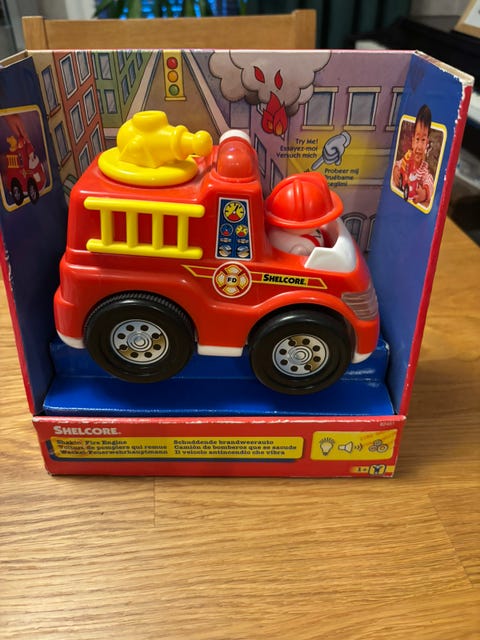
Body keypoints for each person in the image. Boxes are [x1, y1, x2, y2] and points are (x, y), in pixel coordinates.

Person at [393, 104, 434, 206]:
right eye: (417, 139)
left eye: (423, 140)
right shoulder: (408, 157)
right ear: (412, 141)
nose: (419, 146)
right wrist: (395, 170)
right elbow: (398, 163)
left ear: (427, 143)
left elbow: (429, 181)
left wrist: (424, 194)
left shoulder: (423, 169)